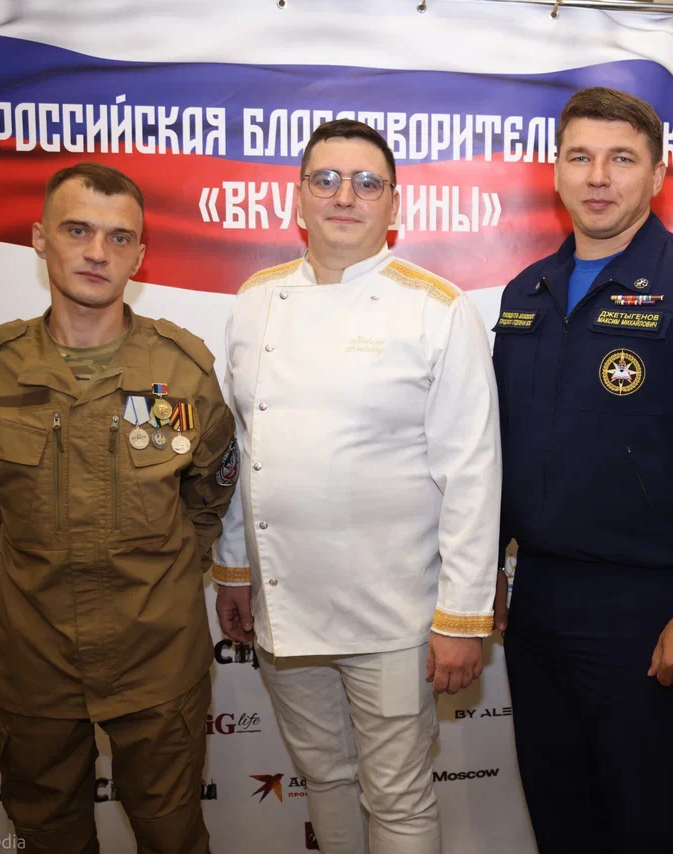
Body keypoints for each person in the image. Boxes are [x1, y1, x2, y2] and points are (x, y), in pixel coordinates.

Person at [492, 87, 673, 853]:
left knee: (644, 824)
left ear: (657, 176)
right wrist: (488, 569)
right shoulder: (525, 294)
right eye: (580, 157)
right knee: (561, 819)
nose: (598, 177)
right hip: (539, 599)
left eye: (621, 159)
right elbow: (497, 446)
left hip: (647, 609)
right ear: (555, 172)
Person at [211, 119, 500, 854]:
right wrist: (235, 568)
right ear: (298, 198)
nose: (345, 196)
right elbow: (243, 448)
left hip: (393, 610)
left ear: (394, 205)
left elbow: (472, 472)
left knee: (398, 796)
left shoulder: (437, 308)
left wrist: (462, 617)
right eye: (326, 180)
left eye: (367, 183)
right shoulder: (255, 301)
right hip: (286, 601)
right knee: (325, 778)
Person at [0, 163, 237, 854]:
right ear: (39, 238)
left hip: (156, 658)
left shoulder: (182, 372)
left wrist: (162, 574)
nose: (97, 252)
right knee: (48, 835)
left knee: (172, 836)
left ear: (140, 256)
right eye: (77, 230)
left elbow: (210, 492)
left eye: (119, 237)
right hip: (34, 656)